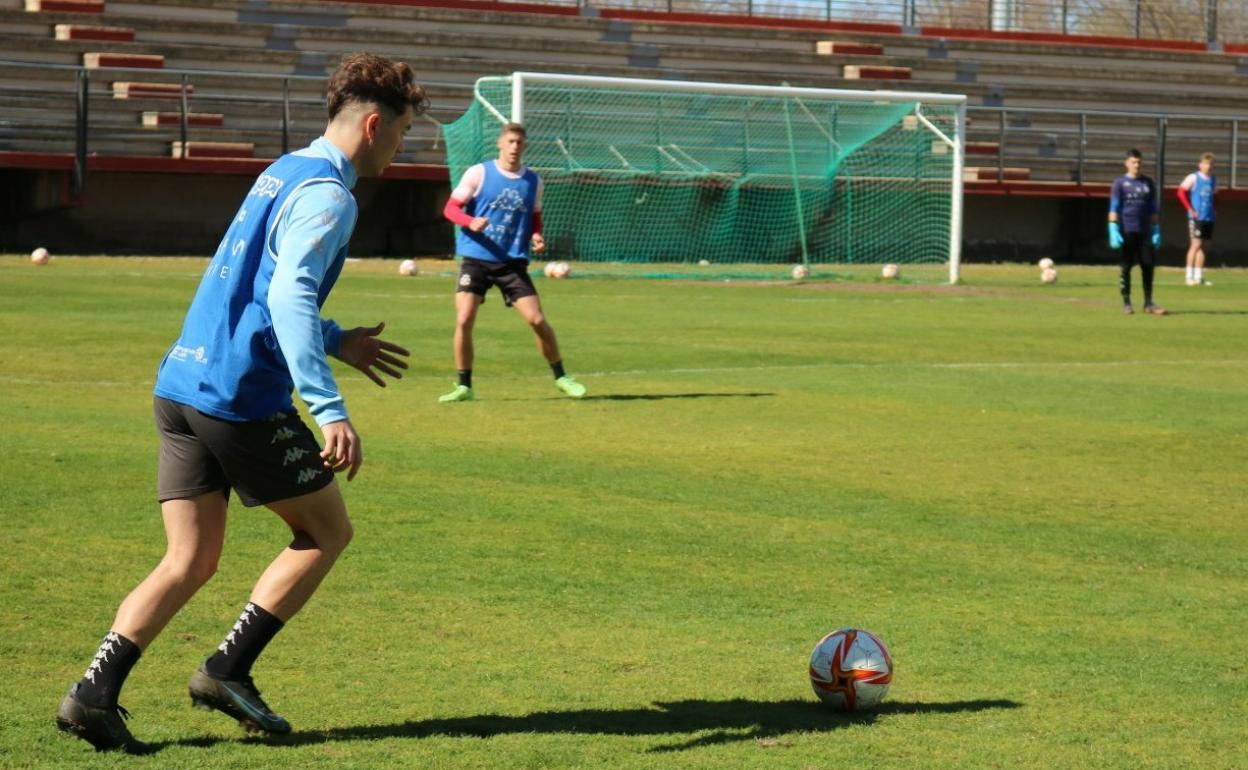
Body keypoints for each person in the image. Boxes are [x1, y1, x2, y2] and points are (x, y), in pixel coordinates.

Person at [55, 53, 428, 753]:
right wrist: (329, 406)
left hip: (182, 383)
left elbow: (255, 288)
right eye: (403, 132)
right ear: (374, 124)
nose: (401, 146)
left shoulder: (283, 170)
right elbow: (285, 295)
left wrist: (334, 336)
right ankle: (227, 669)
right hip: (238, 397)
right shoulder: (331, 194)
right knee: (326, 532)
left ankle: (93, 694)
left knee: (188, 559)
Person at [438, 122, 586, 402]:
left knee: (537, 320)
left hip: (512, 263)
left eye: (519, 142)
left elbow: (535, 216)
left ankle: (562, 376)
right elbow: (450, 208)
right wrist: (471, 221)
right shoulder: (479, 173)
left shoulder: (534, 181)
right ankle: (463, 386)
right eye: (510, 141)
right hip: (476, 259)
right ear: (500, 143)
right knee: (465, 318)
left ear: (525, 145)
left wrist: (537, 234)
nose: (515, 146)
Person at [1108, 148, 1166, 316]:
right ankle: (1127, 302)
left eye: (1139, 162)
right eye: (1133, 162)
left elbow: (1153, 208)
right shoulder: (1119, 183)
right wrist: (1112, 227)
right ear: (1127, 163)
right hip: (1127, 230)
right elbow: (1114, 206)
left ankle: (1148, 303)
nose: (1137, 165)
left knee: (1148, 266)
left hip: (1145, 231)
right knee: (1126, 267)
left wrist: (1156, 228)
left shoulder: (1148, 183)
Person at [1178, 152, 1216, 287]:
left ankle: (1199, 276)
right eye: (1206, 163)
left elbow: (1212, 197)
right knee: (1195, 245)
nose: (1208, 166)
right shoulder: (1193, 177)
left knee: (1203, 247)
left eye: (1210, 164)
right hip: (1196, 217)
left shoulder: (1213, 179)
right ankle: (1189, 276)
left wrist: (1213, 212)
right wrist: (1190, 208)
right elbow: (1181, 192)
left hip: (1208, 217)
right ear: (1200, 165)